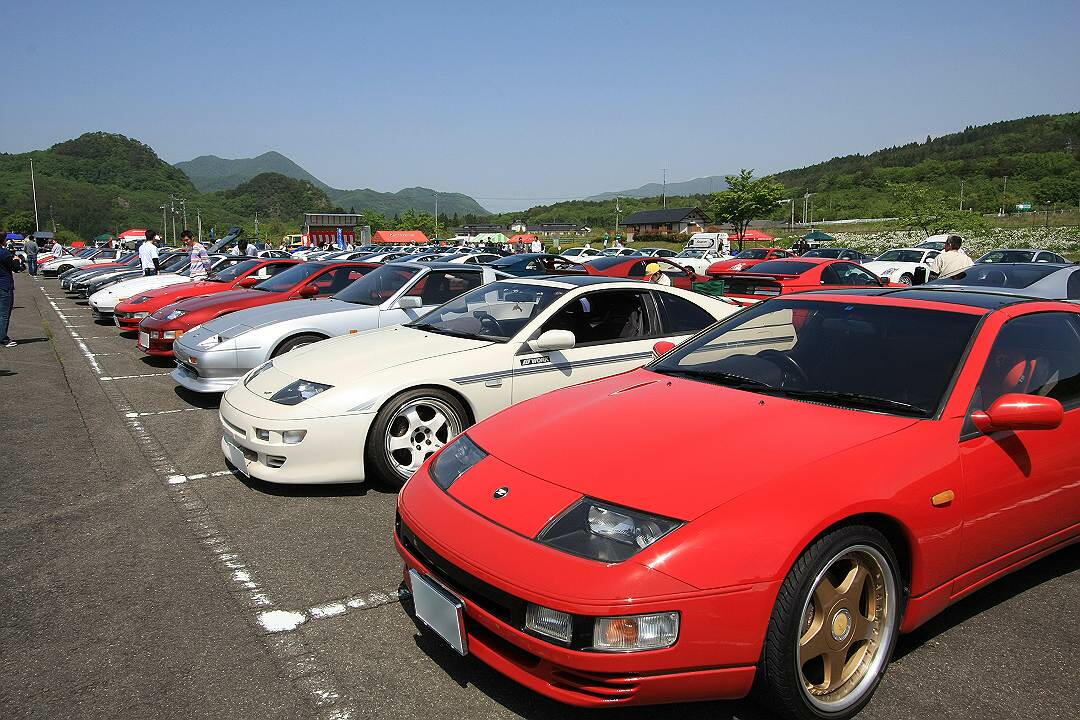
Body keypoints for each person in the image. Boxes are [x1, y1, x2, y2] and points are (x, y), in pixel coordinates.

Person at [0, 242, 21, 347]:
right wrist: (16, 259)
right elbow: (16, 268)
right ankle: (3, 338)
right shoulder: (4, 253)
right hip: (4, 285)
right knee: (4, 314)